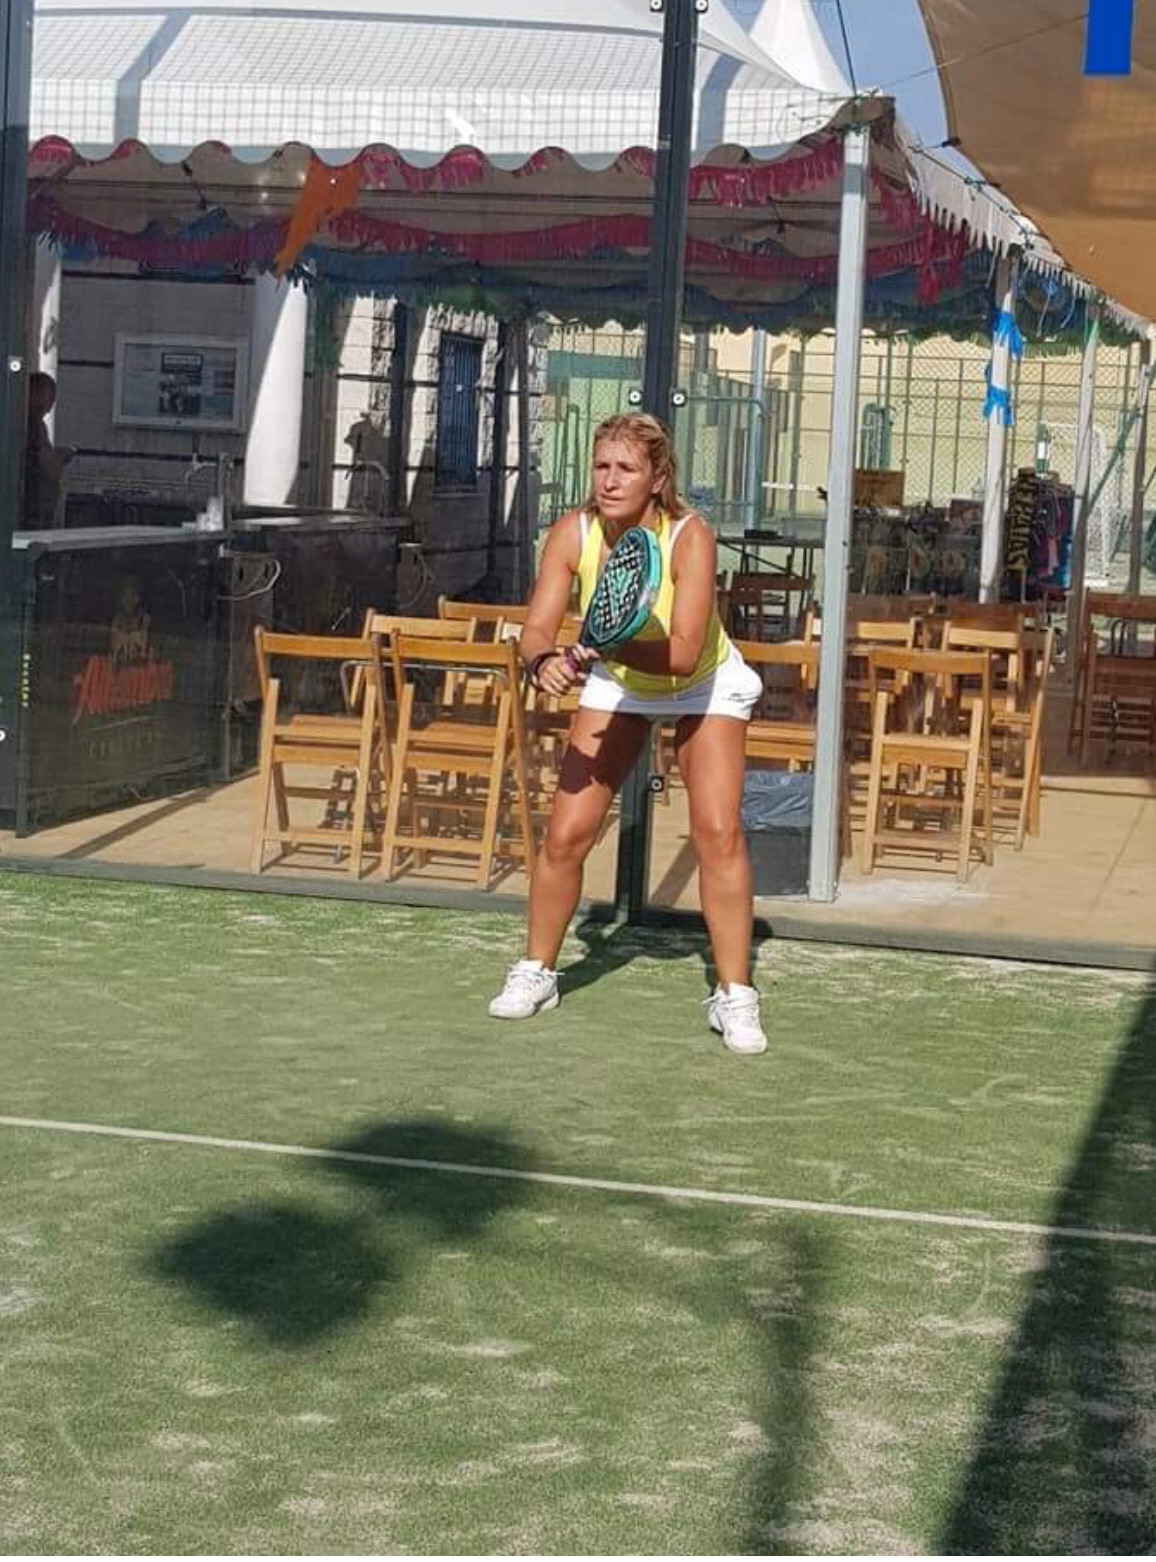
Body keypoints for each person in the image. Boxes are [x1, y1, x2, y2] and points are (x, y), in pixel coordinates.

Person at [488, 413, 768, 1055]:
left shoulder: (691, 537)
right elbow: (537, 628)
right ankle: (537, 972)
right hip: (618, 683)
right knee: (566, 833)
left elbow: (682, 652)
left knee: (717, 833)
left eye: (627, 469)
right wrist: (542, 659)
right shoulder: (573, 532)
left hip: (702, 682)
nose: (610, 481)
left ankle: (735, 994)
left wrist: (601, 648)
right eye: (602, 466)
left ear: (658, 478)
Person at [24, 372, 73, 529]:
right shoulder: (30, 425)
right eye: (48, 398)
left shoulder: (36, 424)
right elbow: (46, 463)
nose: (49, 408)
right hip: (30, 509)